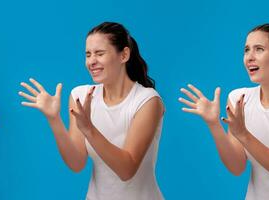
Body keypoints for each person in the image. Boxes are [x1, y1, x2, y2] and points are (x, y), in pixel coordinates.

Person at [19, 22, 164, 199]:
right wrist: (54, 119)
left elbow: (127, 169)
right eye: (88, 55)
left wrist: (88, 129)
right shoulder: (81, 95)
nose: (91, 61)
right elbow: (76, 162)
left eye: (99, 53)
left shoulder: (148, 100)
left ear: (124, 55)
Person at [179, 23, 269, 199]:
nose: (249, 57)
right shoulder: (239, 99)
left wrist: (243, 134)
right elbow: (236, 167)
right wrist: (214, 124)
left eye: (259, 49)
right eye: (246, 50)